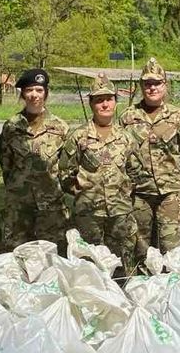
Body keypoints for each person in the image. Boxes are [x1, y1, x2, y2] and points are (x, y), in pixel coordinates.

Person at [119, 57, 180, 258]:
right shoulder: (128, 118)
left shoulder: (179, 117)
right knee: (140, 247)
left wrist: (173, 174)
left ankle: (171, 284)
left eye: (156, 83)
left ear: (165, 85)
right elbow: (121, 154)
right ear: (141, 86)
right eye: (147, 84)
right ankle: (143, 286)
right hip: (139, 193)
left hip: (170, 193)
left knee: (172, 247)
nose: (152, 88)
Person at [59, 73, 138, 270]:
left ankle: (122, 296)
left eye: (108, 99)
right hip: (89, 213)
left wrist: (124, 193)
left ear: (115, 102)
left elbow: (135, 172)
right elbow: (65, 172)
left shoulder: (126, 138)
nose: (104, 105)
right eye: (99, 100)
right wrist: (82, 194)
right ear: (91, 104)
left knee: (121, 262)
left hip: (120, 212)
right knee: (89, 264)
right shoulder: (79, 137)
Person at [0, 68, 70, 249]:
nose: (34, 95)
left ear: (46, 93)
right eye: (29, 90)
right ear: (22, 93)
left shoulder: (60, 127)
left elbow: (66, 167)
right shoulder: (11, 127)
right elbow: (6, 164)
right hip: (19, 205)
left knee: (53, 255)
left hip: (51, 206)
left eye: (39, 90)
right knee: (16, 254)